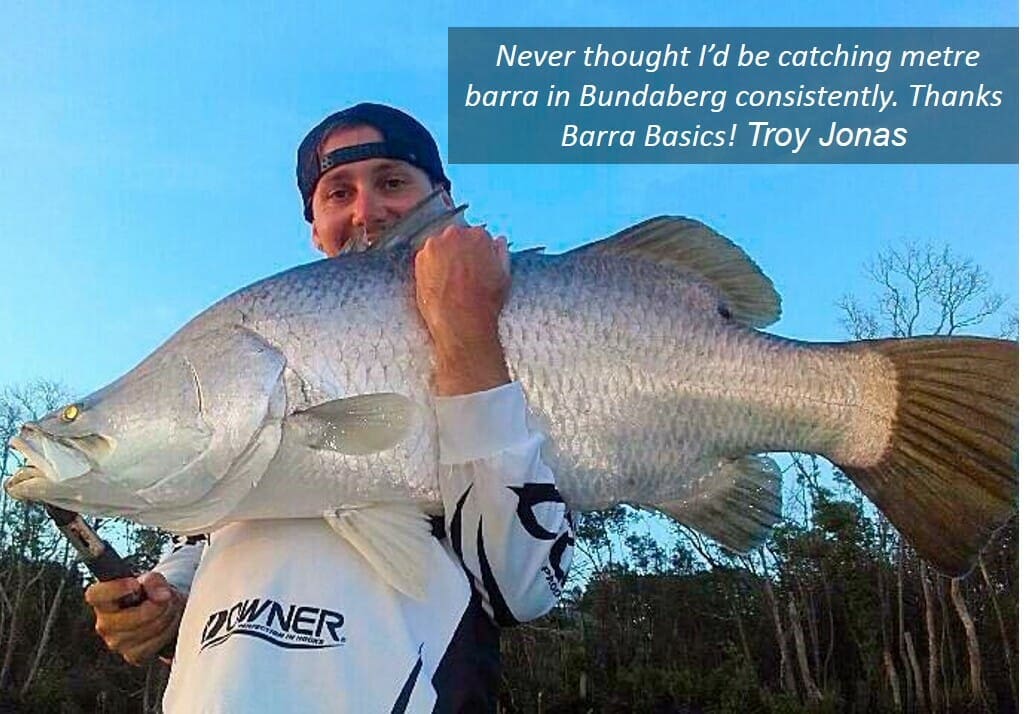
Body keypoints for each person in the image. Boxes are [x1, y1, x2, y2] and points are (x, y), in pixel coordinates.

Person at [84, 102, 576, 712]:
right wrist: (166, 605)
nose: (366, 211)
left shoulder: (506, 330)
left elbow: (521, 587)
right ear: (315, 227)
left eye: (392, 182)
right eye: (338, 192)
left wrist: (467, 335)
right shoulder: (262, 364)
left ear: (443, 200)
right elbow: (208, 550)